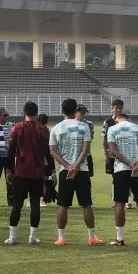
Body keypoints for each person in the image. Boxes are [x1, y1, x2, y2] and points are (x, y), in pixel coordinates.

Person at [49, 97, 103, 246]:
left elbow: (52, 151)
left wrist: (68, 166)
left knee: (63, 205)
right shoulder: (84, 127)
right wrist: (76, 166)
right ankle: (91, 237)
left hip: (65, 171)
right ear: (75, 110)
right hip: (82, 169)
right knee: (86, 204)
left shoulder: (56, 128)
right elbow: (86, 149)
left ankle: (61, 238)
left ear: (62, 110)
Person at [5, 101, 49, 245]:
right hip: (37, 172)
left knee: (17, 204)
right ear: (37, 113)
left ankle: (12, 237)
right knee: (35, 204)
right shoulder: (42, 129)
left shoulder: (17, 128)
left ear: (24, 112)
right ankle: (32, 236)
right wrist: (51, 172)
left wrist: (9, 170)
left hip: (21, 171)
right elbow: (47, 153)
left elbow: (11, 151)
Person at [107, 113, 138, 246]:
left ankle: (120, 238)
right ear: (129, 119)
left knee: (120, 203)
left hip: (120, 170)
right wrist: (137, 164)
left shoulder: (112, 129)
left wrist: (129, 163)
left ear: (116, 120)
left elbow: (113, 151)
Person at [103, 99, 131, 208]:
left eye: (120, 108)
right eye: (116, 107)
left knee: (127, 176)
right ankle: (116, 200)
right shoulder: (107, 122)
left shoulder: (127, 121)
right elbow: (104, 140)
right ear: (112, 108)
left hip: (125, 154)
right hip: (112, 154)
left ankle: (128, 201)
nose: (118, 110)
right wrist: (106, 154)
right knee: (115, 178)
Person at [38, 113, 57, 207]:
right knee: (42, 179)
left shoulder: (36, 130)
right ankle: (41, 199)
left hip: (38, 159)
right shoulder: (48, 131)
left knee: (39, 180)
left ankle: (38, 199)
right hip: (44, 158)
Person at [76, 105, 95, 178]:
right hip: (74, 154)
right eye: (81, 113)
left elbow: (90, 139)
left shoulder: (89, 124)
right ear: (76, 112)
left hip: (87, 153)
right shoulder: (71, 123)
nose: (83, 114)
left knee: (87, 178)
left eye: (84, 113)